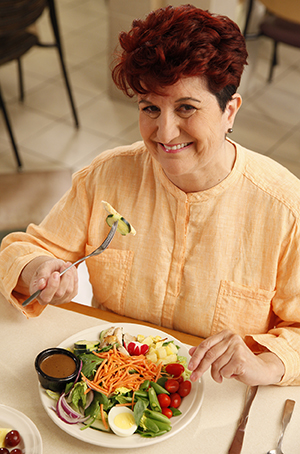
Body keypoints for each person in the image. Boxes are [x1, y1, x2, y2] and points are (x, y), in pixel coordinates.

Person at [1, 5, 300, 387]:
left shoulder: (286, 208)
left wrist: (271, 364)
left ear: (230, 111)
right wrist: (37, 267)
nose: (165, 132)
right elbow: (21, 249)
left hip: (217, 395)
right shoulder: (106, 176)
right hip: (110, 386)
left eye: (187, 108)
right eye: (150, 108)